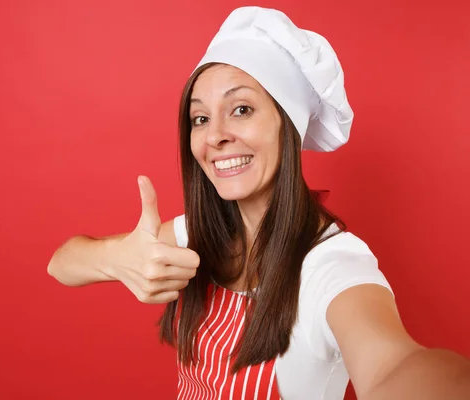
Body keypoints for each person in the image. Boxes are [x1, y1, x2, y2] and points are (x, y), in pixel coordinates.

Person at [47, 6, 470, 400]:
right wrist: (116, 257)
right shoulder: (199, 233)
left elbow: (395, 365)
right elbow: (61, 264)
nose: (215, 136)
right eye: (200, 118)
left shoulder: (332, 263)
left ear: (288, 127)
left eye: (242, 109)